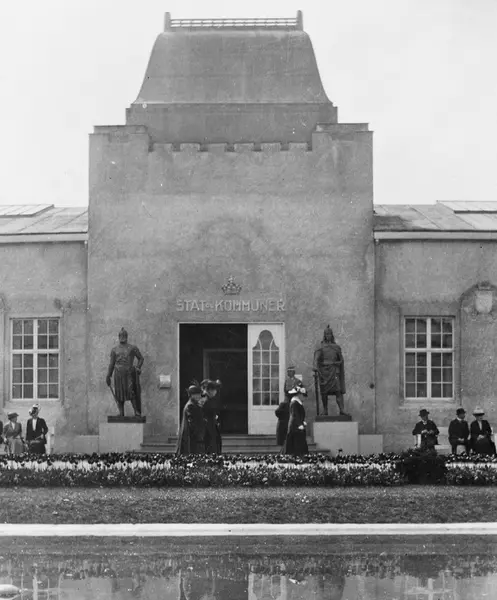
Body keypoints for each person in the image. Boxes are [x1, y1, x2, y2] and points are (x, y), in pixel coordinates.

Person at [106, 327, 144, 417]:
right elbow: (111, 364)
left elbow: (141, 358)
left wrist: (137, 368)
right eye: (121, 335)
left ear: (126, 336)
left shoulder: (132, 348)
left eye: (124, 335)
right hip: (118, 374)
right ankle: (121, 412)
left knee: (131, 391)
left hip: (129, 373)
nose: (122, 337)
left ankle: (136, 411)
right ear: (118, 336)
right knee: (119, 393)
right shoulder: (114, 350)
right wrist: (108, 376)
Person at [313, 325, 348, 416]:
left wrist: (337, 363)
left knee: (338, 391)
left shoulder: (336, 347)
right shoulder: (320, 347)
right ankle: (325, 410)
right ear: (324, 335)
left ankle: (341, 410)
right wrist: (315, 367)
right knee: (324, 392)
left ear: (332, 335)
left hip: (334, 371)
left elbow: (341, 360)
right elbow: (316, 359)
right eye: (326, 334)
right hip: (324, 372)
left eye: (329, 334)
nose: (328, 335)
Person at [176, 385, 206, 456]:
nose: (199, 396)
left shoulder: (193, 404)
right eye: (197, 394)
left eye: (199, 394)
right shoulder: (190, 405)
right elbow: (192, 423)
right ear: (192, 395)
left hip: (192, 437)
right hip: (191, 438)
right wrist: (199, 435)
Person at [283, 384, 309, 456]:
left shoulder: (297, 402)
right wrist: (299, 424)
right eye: (303, 395)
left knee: (300, 443)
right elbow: (295, 414)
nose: (304, 397)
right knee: (295, 444)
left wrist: (302, 421)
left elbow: (299, 414)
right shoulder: (294, 403)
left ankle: (301, 456)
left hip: (298, 425)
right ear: (299, 395)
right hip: (295, 426)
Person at [201, 379, 222, 454]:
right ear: (210, 390)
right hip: (208, 430)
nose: (215, 392)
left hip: (211, 428)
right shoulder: (206, 401)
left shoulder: (209, 400)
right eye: (214, 390)